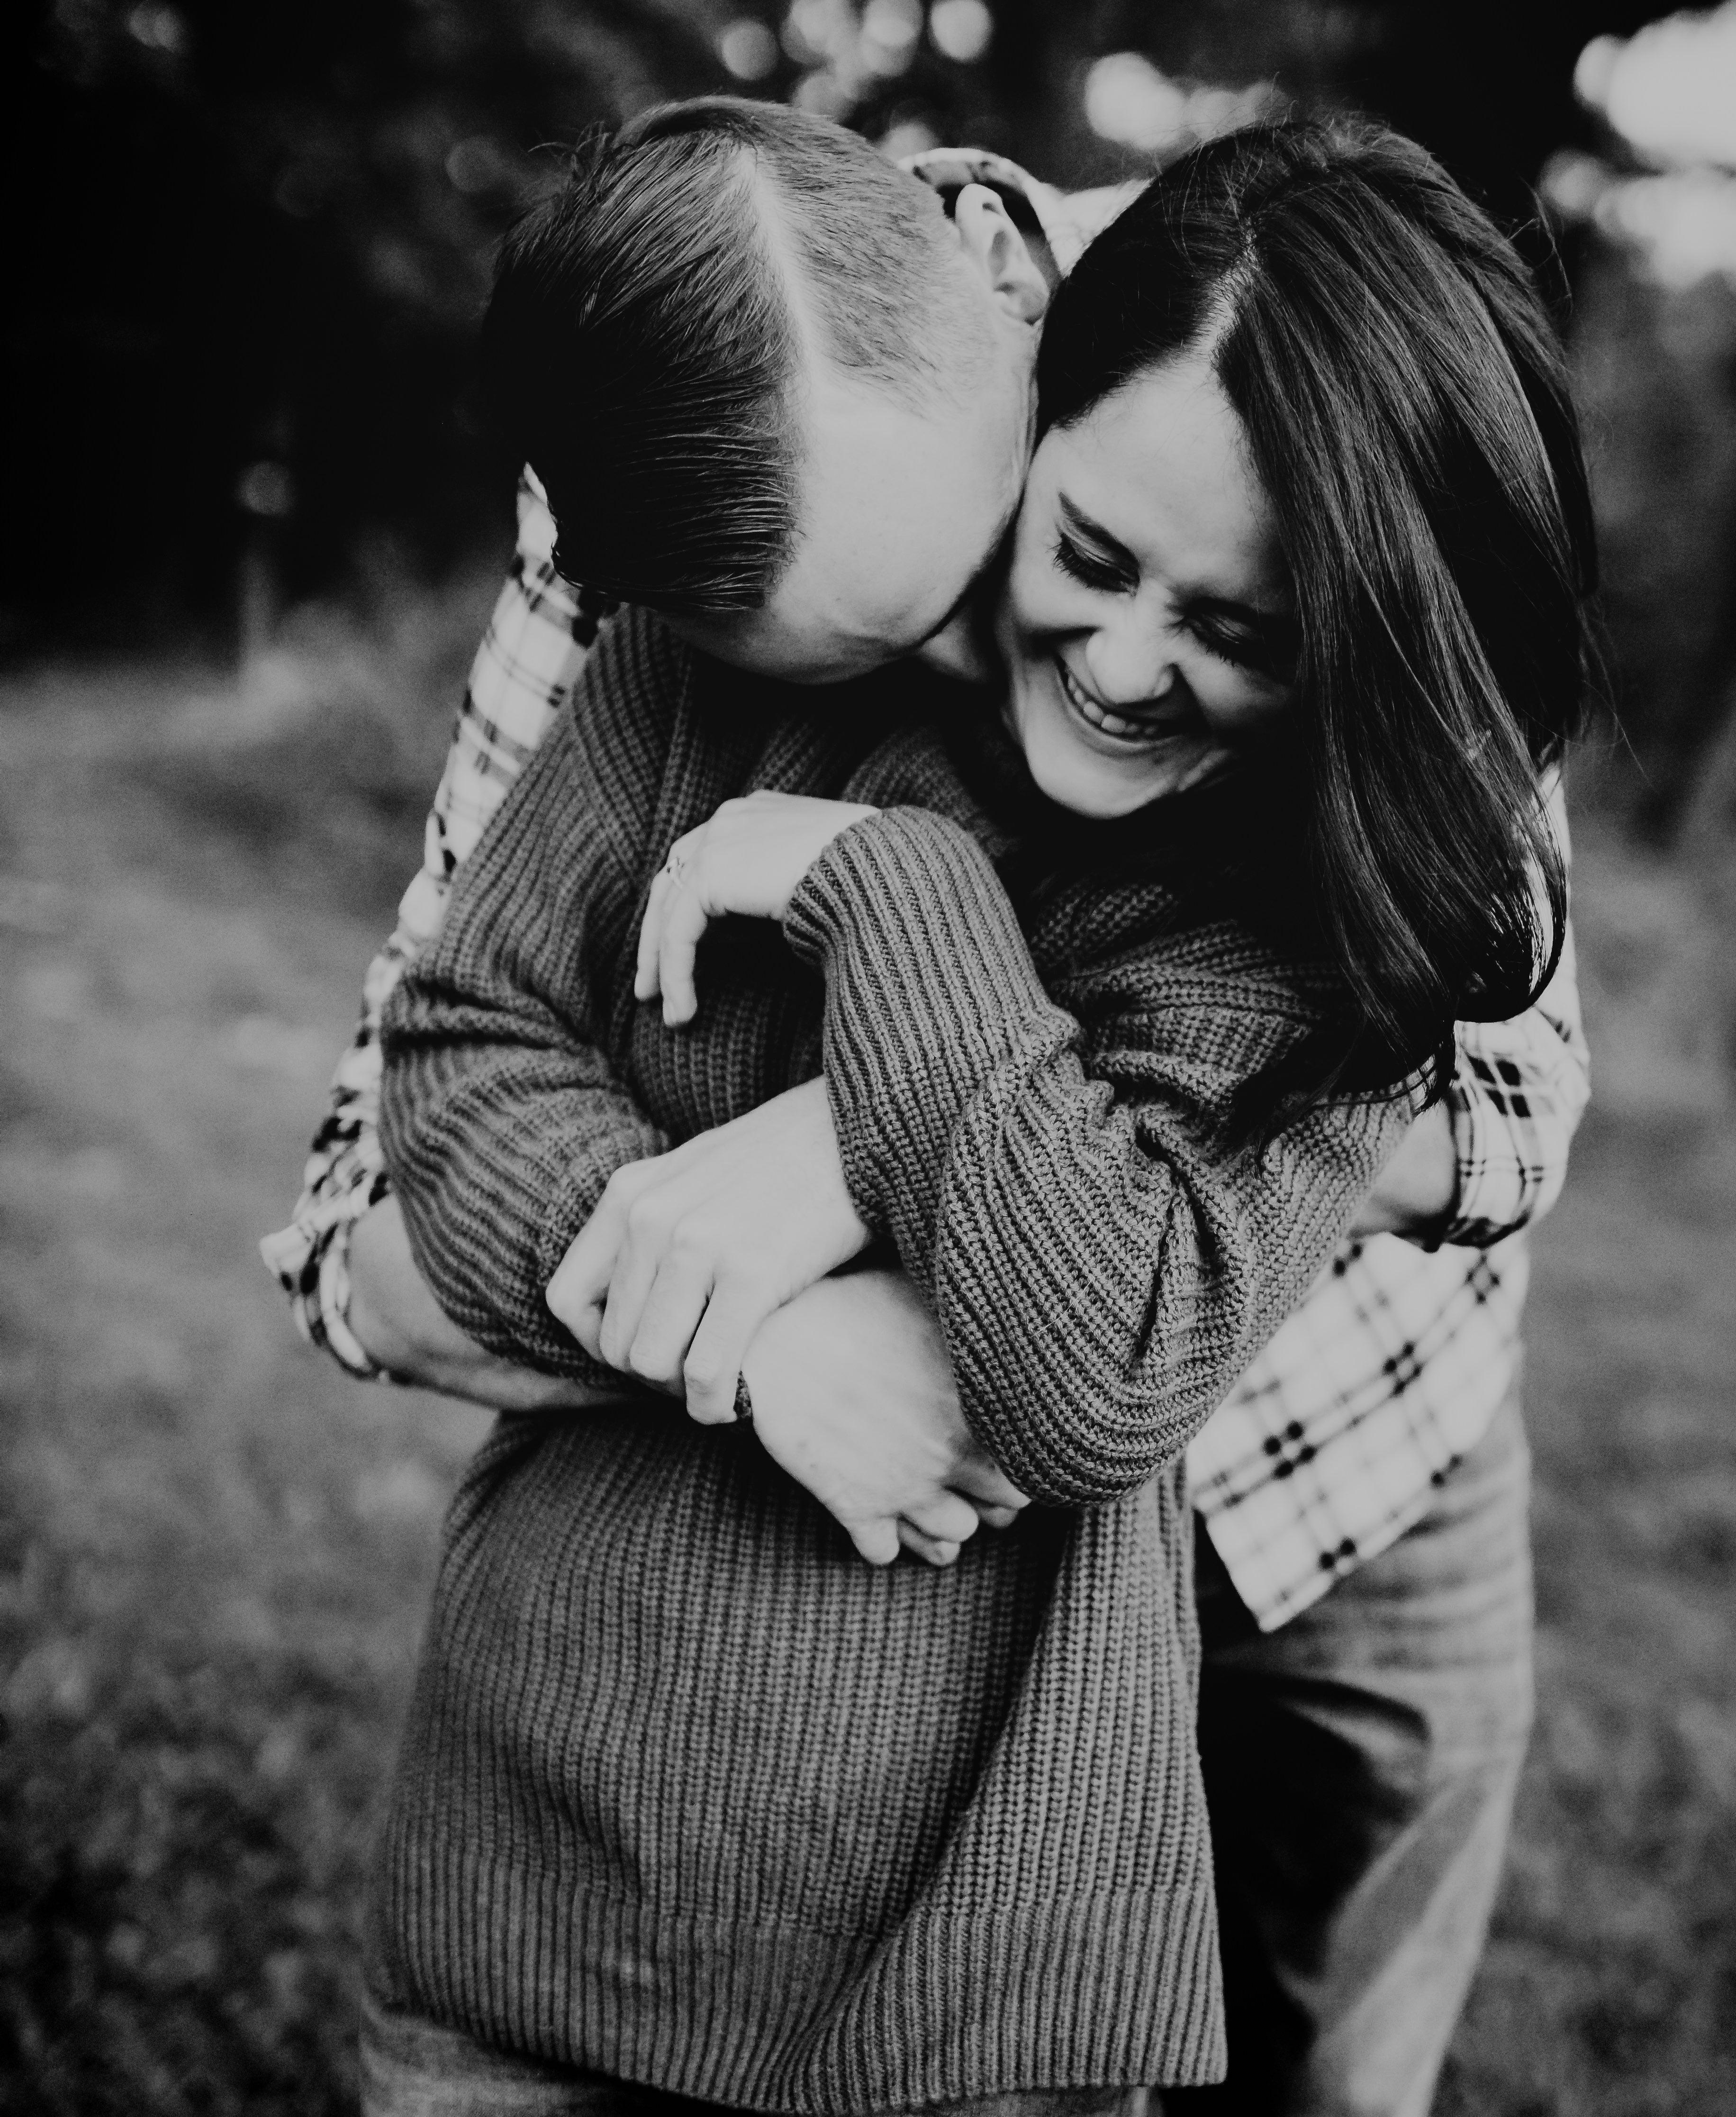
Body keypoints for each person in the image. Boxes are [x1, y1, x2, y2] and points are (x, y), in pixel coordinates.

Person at [266, 101, 1591, 2117]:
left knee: (1329, 2061)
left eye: (1225, 623)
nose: (1022, 684)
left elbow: (1498, 1101)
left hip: (1343, 1448)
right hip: (790, 1631)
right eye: (856, 660)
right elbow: (402, 1144)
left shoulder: (1352, 430)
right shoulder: (668, 470)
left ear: (1008, 333)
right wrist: (772, 1338)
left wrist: (850, 1125)